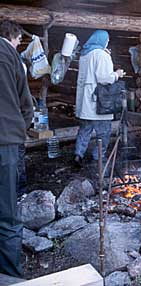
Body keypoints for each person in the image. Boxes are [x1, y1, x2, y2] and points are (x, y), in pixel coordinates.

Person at [0, 23, 33, 277]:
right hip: (6, 143)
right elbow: (26, 104)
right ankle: (11, 277)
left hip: (8, 138)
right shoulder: (10, 55)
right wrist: (18, 129)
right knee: (8, 213)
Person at [74, 30, 124, 167]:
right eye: (107, 40)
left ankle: (78, 155)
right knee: (104, 133)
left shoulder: (84, 54)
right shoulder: (101, 55)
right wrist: (117, 74)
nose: (107, 42)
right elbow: (104, 78)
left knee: (84, 130)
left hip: (85, 102)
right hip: (99, 102)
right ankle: (98, 157)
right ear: (102, 40)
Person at [0, 21, 29, 196]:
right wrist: (23, 125)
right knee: (7, 183)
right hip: (7, 132)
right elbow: (24, 98)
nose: (19, 43)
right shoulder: (11, 57)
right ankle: (10, 222)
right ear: (10, 36)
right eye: (18, 39)